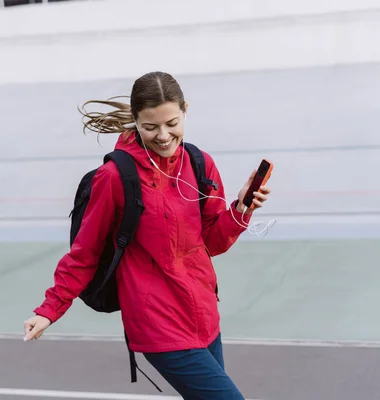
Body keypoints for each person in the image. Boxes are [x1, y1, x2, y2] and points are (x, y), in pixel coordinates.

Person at [23, 71, 271, 399]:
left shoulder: (200, 164)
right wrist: (49, 309)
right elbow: (86, 253)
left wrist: (241, 208)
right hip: (159, 326)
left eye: (172, 123)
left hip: (205, 316)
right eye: (150, 127)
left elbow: (211, 242)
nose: (164, 136)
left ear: (185, 109)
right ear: (136, 121)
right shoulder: (114, 178)